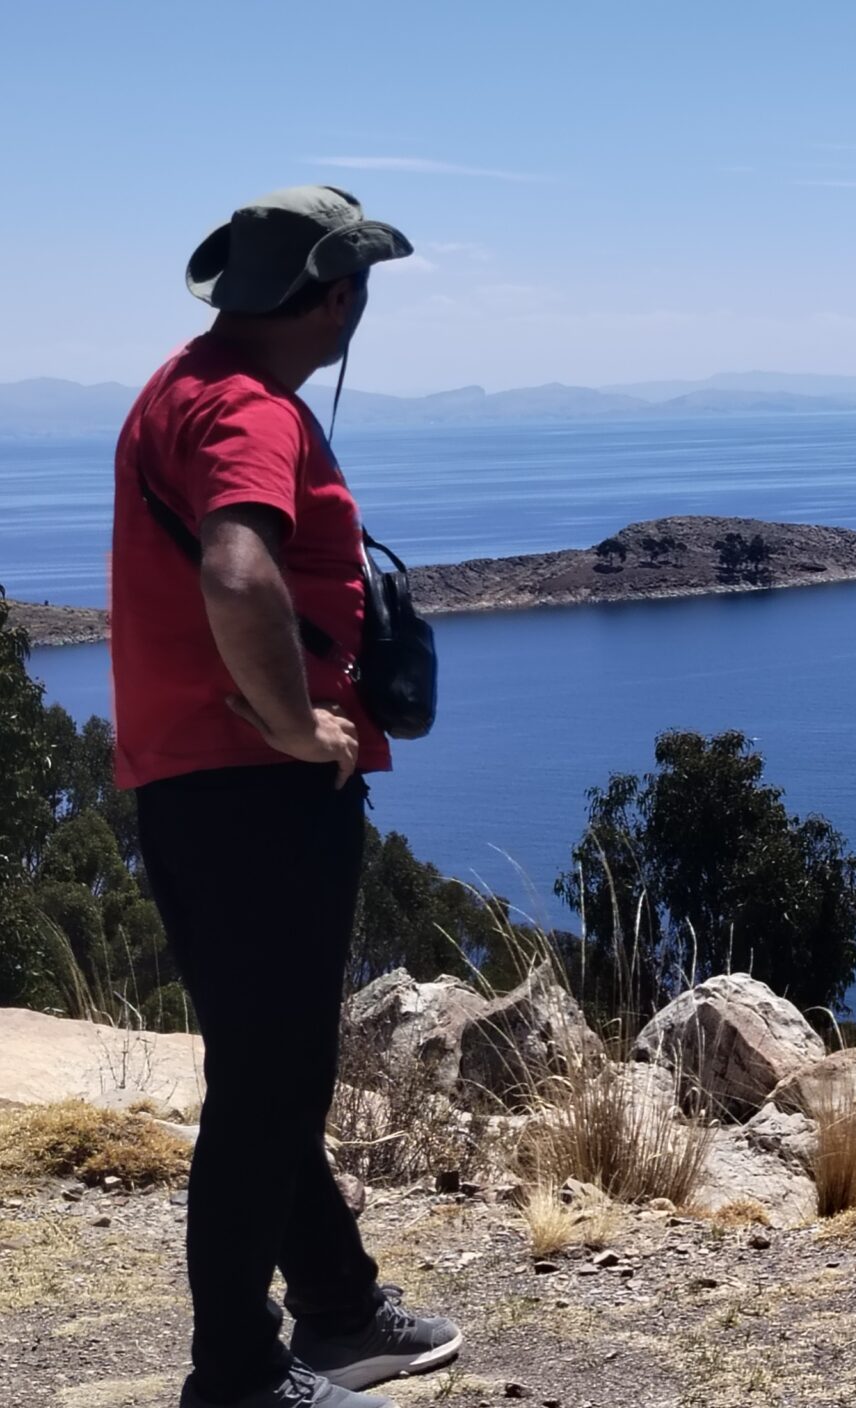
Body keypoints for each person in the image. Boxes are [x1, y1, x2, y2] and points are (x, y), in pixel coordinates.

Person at [110, 186, 463, 1408]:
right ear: (331, 295)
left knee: (272, 1065)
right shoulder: (249, 412)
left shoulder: (181, 385)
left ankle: (340, 1313)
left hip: (195, 788)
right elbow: (238, 566)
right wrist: (286, 719)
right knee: (267, 1084)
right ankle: (238, 1377)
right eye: (357, 287)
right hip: (256, 792)